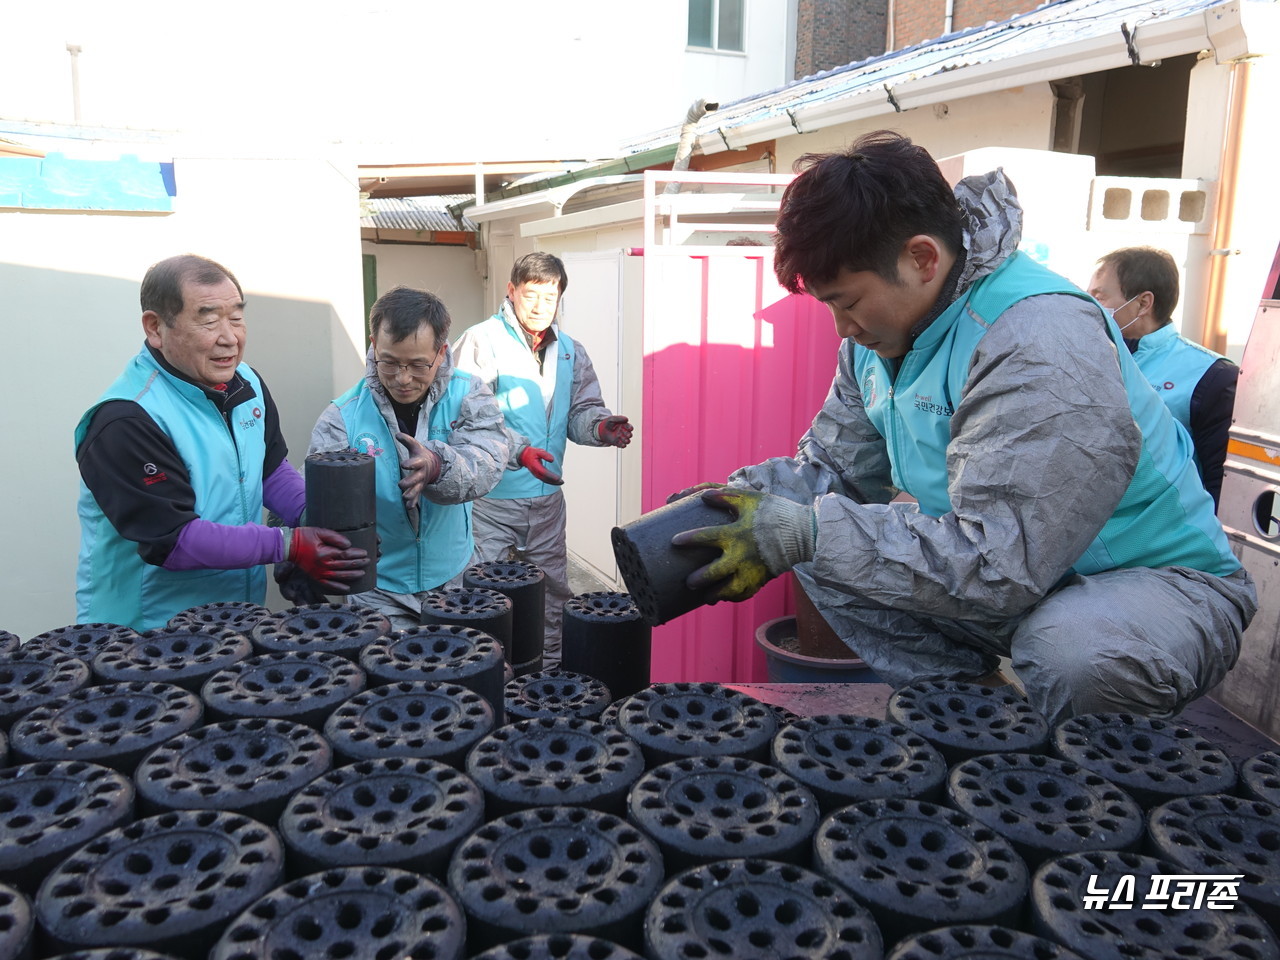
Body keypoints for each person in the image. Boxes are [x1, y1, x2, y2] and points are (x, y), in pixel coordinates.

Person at [671, 132, 1256, 726]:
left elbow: (1002, 563)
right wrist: (737, 505)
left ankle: (1080, 782)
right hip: (1026, 575)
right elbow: (837, 472)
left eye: (847, 301)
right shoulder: (878, 340)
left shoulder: (1037, 338)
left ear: (922, 258)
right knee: (823, 552)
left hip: (1153, 583)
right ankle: (979, 722)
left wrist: (808, 531)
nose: (841, 328)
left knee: (1074, 655)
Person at [75, 254, 368, 631]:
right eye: (209, 320)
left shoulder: (246, 385)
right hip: (147, 634)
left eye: (236, 317)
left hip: (234, 623)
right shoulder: (125, 419)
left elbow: (269, 472)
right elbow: (175, 540)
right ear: (155, 327)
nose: (229, 337)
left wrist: (320, 521)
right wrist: (291, 544)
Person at [453, 252, 633, 665]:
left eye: (549, 297)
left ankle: (546, 675)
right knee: (483, 591)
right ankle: (485, 674)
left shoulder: (571, 351)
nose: (540, 306)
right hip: (490, 503)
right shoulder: (480, 341)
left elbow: (582, 410)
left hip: (548, 502)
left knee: (553, 591)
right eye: (531, 294)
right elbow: (466, 416)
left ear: (560, 299)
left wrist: (601, 427)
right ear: (511, 291)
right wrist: (519, 452)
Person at [309, 286, 509, 628]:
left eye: (418, 365)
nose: (403, 379)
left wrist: (439, 465)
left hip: (455, 576)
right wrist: (296, 538)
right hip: (377, 588)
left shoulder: (469, 395)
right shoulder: (343, 416)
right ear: (374, 346)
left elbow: (489, 460)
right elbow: (312, 491)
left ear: (442, 352)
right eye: (389, 362)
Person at [1087, 246, 1238, 507]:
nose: (1090, 307)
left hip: (1164, 535)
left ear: (1143, 303)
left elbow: (1222, 489)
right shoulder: (1090, 358)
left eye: (1099, 298)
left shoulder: (1212, 376)